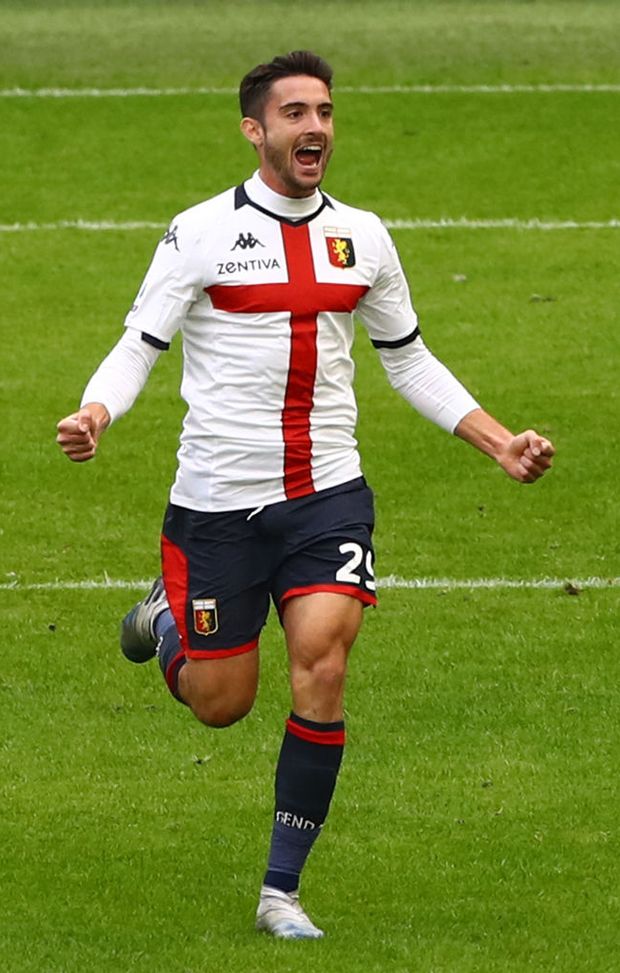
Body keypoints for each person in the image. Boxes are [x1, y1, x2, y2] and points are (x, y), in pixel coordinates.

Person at [56, 50, 554, 940]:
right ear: (255, 130)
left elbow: (408, 358)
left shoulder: (364, 236)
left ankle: (280, 892)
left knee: (323, 663)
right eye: (295, 113)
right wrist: (97, 411)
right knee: (222, 702)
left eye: (324, 111)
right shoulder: (200, 232)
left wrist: (498, 440)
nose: (315, 126)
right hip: (218, 503)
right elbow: (139, 344)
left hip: (329, 495)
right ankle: (165, 620)